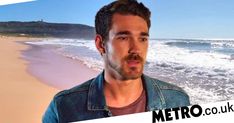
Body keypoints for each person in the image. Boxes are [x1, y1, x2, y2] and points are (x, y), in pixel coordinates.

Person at [43, 0, 190, 122]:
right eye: (123, 38)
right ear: (101, 44)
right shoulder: (63, 107)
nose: (136, 49)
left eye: (143, 39)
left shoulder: (177, 101)